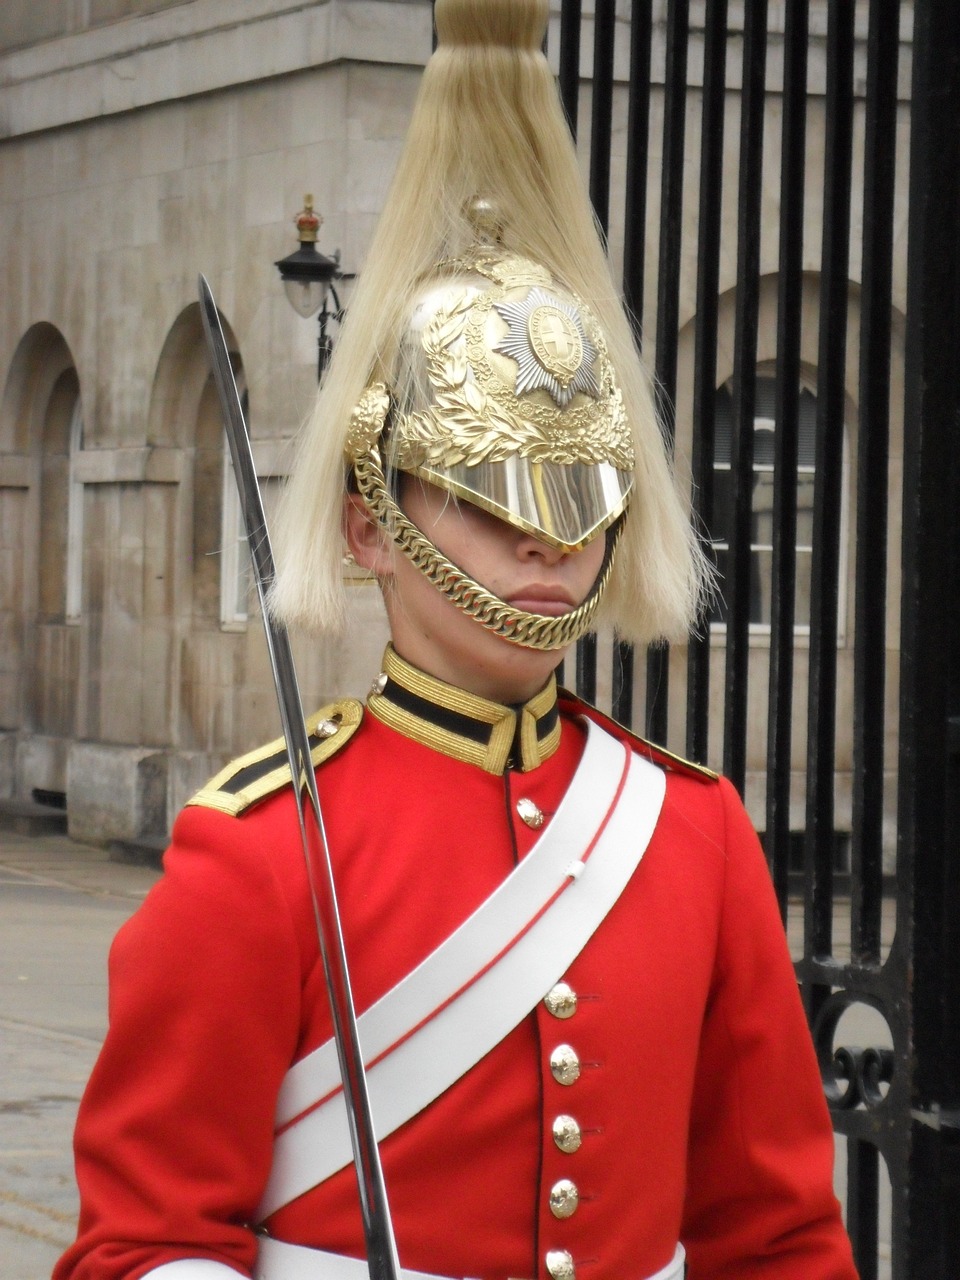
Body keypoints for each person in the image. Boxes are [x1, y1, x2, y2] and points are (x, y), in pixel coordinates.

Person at [54, 2, 860, 1278]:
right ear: (372, 528)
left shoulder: (692, 835)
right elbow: (139, 1243)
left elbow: (779, 1236)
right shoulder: (255, 852)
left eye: (576, 493)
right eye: (489, 493)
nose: (545, 544)